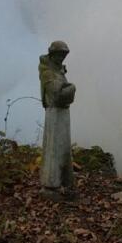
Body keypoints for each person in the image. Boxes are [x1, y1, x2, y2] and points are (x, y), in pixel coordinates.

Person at [39, 40, 76, 194]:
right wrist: (71, 88)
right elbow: (55, 93)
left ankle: (63, 179)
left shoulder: (59, 71)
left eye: (63, 55)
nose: (61, 58)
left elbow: (60, 91)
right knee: (54, 148)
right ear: (52, 54)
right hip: (54, 113)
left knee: (63, 147)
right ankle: (51, 182)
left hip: (62, 113)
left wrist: (67, 88)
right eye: (59, 55)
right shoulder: (47, 72)